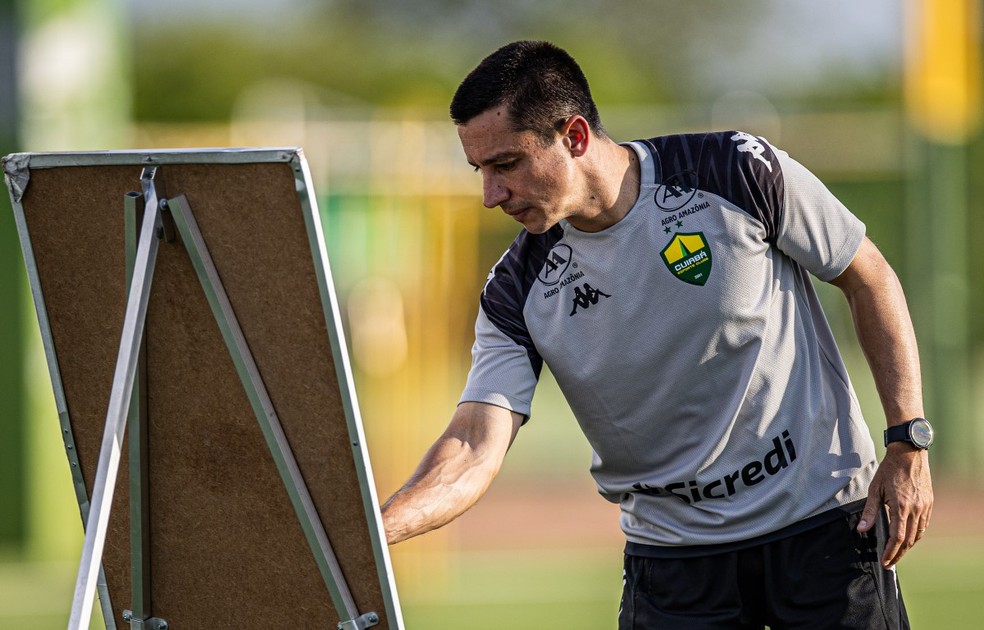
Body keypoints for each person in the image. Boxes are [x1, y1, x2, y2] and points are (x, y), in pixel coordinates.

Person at [380, 40, 933, 629]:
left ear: (574, 136)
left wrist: (908, 439)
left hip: (823, 527)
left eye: (506, 164)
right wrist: (374, 531)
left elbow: (867, 275)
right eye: (480, 170)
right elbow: (472, 445)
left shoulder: (738, 172)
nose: (490, 195)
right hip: (674, 565)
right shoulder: (515, 290)